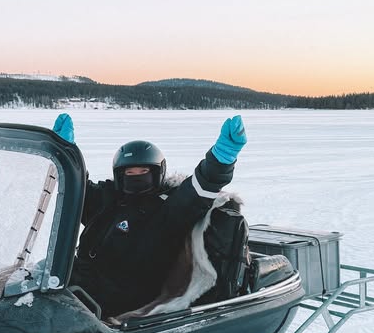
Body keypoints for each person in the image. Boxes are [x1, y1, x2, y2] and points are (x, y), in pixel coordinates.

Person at [52, 112, 247, 318]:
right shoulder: (108, 200)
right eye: (129, 173)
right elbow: (76, 188)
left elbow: (198, 191)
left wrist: (221, 159)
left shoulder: (168, 210)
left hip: (119, 298)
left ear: (157, 173)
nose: (136, 178)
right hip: (75, 284)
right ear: (119, 175)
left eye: (143, 172)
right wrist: (65, 153)